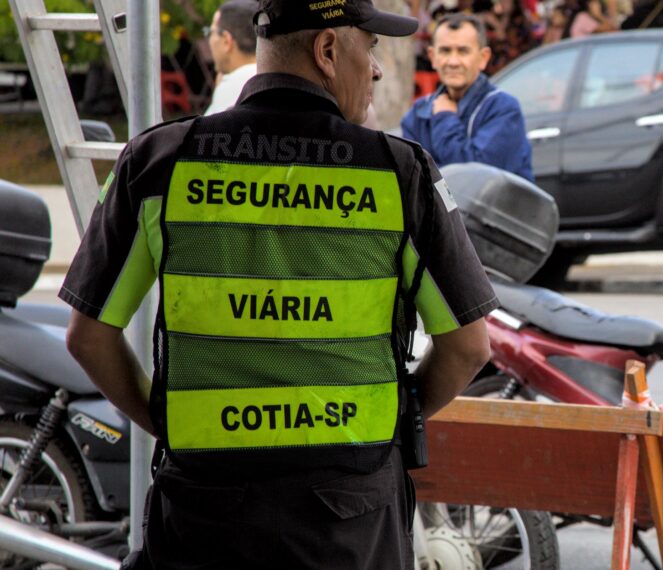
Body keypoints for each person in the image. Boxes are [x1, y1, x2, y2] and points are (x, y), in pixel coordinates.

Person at [61, 0, 497, 568]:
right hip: (350, 521)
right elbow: (470, 346)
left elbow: (87, 335)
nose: (377, 69)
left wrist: (168, 417)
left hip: (203, 514)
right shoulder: (399, 173)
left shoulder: (159, 162)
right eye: (370, 49)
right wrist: (392, 419)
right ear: (327, 50)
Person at [401, 14, 534, 180]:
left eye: (463, 51)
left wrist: (444, 117)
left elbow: (472, 181)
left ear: (483, 58)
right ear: (432, 57)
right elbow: (411, 179)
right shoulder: (418, 113)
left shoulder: (503, 109)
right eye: (445, 51)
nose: (453, 61)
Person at [203, 0, 258, 115]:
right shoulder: (271, 77)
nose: (210, 40)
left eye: (211, 32)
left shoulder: (232, 86)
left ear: (226, 41)